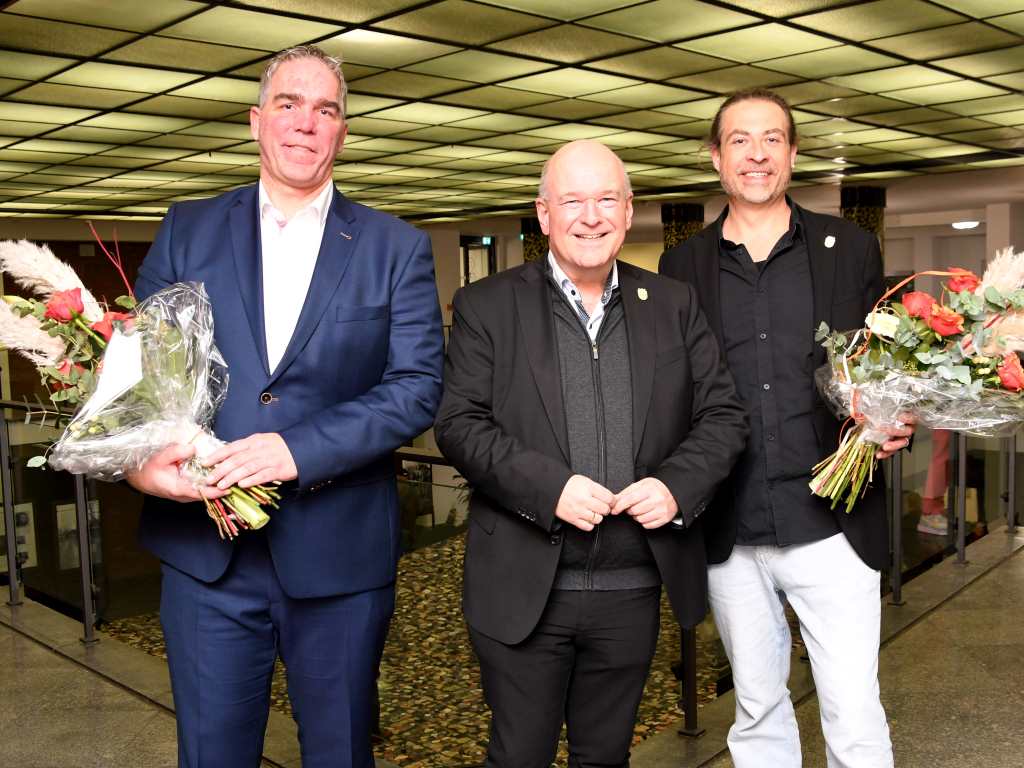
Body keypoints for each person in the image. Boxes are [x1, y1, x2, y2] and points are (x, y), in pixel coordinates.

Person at [127, 45, 443, 768]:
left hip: (340, 558)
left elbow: (417, 386)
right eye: (288, 104)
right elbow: (143, 377)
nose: (306, 123)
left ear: (342, 131)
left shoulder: (396, 248)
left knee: (340, 753)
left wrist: (296, 449)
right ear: (255, 121)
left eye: (325, 110)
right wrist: (144, 467)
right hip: (206, 555)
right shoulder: (187, 228)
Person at [435, 140, 748, 768]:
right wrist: (549, 489)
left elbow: (723, 416)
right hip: (523, 585)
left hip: (631, 589)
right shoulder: (487, 306)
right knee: (518, 755)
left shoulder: (673, 304)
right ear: (544, 214)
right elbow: (459, 424)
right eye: (572, 200)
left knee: (605, 758)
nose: (591, 215)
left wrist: (676, 487)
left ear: (629, 213)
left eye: (607, 199)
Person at [659, 89, 913, 768]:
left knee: (853, 708)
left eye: (772, 138)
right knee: (757, 708)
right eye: (740, 140)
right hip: (731, 525)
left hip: (832, 518)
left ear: (794, 154)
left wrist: (894, 419)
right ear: (715, 157)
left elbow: (881, 363)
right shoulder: (682, 268)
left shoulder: (849, 248)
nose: (757, 153)